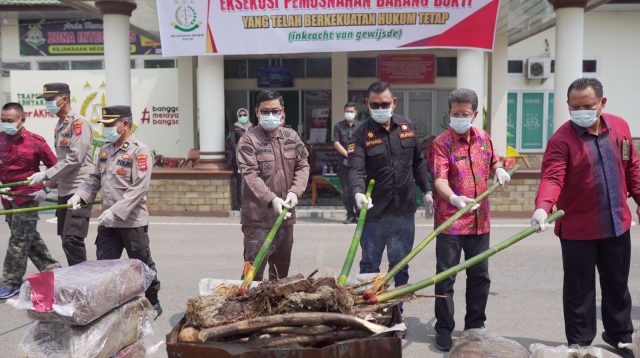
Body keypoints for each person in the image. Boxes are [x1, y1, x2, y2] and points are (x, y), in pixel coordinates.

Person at [531, 78, 640, 357]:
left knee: (617, 284)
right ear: (568, 107)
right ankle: (579, 342)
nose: (581, 111)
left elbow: (633, 169)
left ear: (602, 103)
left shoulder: (620, 128)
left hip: (617, 224)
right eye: (575, 107)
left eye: (588, 106)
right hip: (578, 229)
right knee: (580, 290)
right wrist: (543, 206)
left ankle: (620, 336)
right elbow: (553, 177)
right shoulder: (561, 140)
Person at [428, 88, 511, 351]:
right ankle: (443, 328)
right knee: (446, 277)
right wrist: (454, 199)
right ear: (449, 114)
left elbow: (494, 162)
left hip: (479, 221)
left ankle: (475, 325)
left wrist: (499, 171)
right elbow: (439, 179)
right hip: (450, 220)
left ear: (474, 114)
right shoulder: (441, 143)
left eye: (465, 114)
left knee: (480, 275)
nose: (460, 118)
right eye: (455, 114)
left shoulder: (484, 138)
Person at [349, 81, 434, 324]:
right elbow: (356, 170)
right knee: (370, 267)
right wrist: (357, 193)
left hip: (403, 212)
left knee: (400, 266)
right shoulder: (360, 135)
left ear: (393, 103)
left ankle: (398, 313)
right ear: (367, 105)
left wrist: (427, 190)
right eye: (375, 105)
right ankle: (370, 313)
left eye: (385, 104)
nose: (380, 108)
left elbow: (418, 161)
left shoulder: (407, 127)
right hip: (374, 215)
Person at [68, 106, 162, 317]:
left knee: (141, 264)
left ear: (125, 124)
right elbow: (93, 179)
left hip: (131, 222)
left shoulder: (139, 151)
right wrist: (81, 194)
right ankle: (108, 307)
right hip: (108, 224)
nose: (107, 129)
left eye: (111, 124)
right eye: (105, 124)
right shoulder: (104, 150)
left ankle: (153, 300)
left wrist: (116, 211)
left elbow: (139, 187)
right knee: (104, 267)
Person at [236, 90, 310, 281]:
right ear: (257, 112)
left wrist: (295, 192)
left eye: (275, 111)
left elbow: (303, 165)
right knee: (253, 274)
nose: (271, 115)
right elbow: (250, 175)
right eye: (265, 111)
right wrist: (272, 199)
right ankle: (248, 310)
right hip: (258, 220)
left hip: (285, 218)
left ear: (282, 111)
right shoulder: (248, 140)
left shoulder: (291, 137)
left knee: (280, 274)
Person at [27, 83, 94, 266]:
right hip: (66, 189)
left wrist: (46, 175)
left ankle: (83, 282)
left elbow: (74, 158)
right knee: (65, 239)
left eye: (50, 100)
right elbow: (64, 162)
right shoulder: (60, 125)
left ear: (64, 99)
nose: (47, 104)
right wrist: (46, 188)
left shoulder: (79, 124)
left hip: (80, 190)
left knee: (72, 238)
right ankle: (78, 278)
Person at [0, 102, 60, 299]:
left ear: (21, 120)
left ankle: (11, 282)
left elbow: (57, 169)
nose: (5, 124)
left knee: (18, 239)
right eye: (2, 120)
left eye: (9, 121)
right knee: (28, 236)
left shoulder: (35, 142)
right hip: (8, 198)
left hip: (28, 196)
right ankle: (52, 267)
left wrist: (46, 187)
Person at [332, 103, 360, 224]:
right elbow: (336, 143)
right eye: (347, 111)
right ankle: (350, 215)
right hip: (343, 163)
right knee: (347, 190)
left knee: (357, 189)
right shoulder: (338, 126)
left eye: (351, 111)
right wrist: (348, 154)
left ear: (356, 112)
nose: (349, 113)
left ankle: (359, 215)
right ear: (344, 111)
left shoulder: (360, 126)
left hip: (357, 163)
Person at [227, 108, 253, 209]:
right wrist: (240, 150)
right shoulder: (234, 128)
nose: (242, 117)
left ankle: (250, 203)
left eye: (244, 115)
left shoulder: (252, 127)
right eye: (240, 115)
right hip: (239, 158)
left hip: (251, 158)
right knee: (240, 181)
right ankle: (240, 203)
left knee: (251, 180)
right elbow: (231, 142)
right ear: (238, 116)